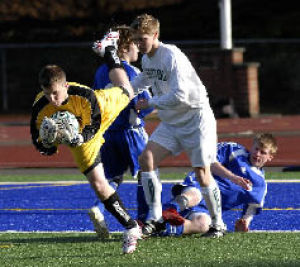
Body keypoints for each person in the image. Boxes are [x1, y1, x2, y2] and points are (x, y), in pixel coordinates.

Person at [129, 13, 249, 237]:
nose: (138, 44)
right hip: (172, 121)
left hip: (196, 118)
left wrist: (151, 102)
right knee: (146, 159)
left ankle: (218, 224)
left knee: (202, 173)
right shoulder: (146, 59)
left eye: (142, 38)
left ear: (155, 35)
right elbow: (142, 81)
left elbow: (181, 96)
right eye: (135, 39)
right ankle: (154, 217)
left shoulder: (171, 55)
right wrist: (118, 93)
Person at [30, 42, 143, 254]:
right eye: (47, 94)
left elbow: (95, 124)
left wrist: (79, 137)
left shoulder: (85, 96)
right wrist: (48, 144)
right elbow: (38, 143)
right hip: (79, 140)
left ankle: (110, 52)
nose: (52, 100)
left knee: (127, 90)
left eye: (55, 93)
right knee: (99, 186)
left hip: (98, 116)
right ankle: (131, 228)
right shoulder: (40, 108)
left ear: (65, 86)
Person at [88, 25, 153, 237]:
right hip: (131, 132)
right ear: (125, 46)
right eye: (136, 43)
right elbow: (144, 105)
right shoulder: (132, 72)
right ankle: (144, 220)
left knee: (114, 176)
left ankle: (99, 207)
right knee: (148, 171)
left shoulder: (100, 71)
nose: (139, 49)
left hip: (108, 133)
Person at [157, 133, 278, 236]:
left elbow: (251, 208)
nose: (257, 154)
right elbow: (208, 162)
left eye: (263, 152)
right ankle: (164, 213)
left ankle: (163, 229)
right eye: (256, 149)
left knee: (204, 224)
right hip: (199, 185)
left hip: (207, 209)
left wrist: (244, 222)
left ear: (270, 157)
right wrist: (233, 177)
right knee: (195, 195)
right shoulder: (234, 150)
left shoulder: (260, 185)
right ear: (252, 147)